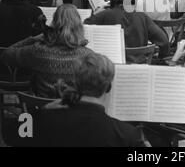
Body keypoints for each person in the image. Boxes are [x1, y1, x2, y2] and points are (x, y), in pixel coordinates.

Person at [12, 52, 147, 147]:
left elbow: (11, 133)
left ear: (76, 82)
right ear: (108, 87)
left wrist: (43, 110)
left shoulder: (42, 119)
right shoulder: (127, 135)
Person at [1, 4, 94, 98]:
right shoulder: (88, 55)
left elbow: (6, 54)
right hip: (75, 109)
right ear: (79, 27)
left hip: (43, 109)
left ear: (54, 24)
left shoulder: (38, 51)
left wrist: (32, 39)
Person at [84, 0, 169, 63]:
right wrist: (160, 59)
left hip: (111, 66)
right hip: (139, 67)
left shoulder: (104, 15)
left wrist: (95, 14)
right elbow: (164, 42)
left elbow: (81, 30)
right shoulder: (142, 16)